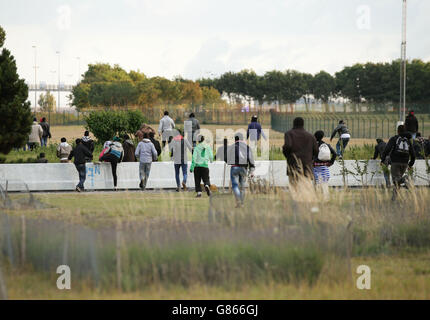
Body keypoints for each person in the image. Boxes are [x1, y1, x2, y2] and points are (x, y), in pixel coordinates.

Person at [381, 125, 415, 200]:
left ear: (398, 131)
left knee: (396, 180)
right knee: (397, 181)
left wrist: (383, 159)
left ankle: (406, 179)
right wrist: (410, 164)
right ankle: (394, 198)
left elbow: (387, 149)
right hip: (405, 163)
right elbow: (413, 153)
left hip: (395, 162)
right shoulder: (408, 140)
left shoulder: (394, 138)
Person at [282, 117, 318, 186]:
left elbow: (287, 146)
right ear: (303, 124)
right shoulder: (310, 136)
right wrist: (310, 159)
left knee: (294, 188)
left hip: (293, 164)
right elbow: (316, 151)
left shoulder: (289, 134)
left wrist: (289, 157)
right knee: (306, 188)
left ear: (294, 124)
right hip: (307, 165)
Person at [226, 133, 255, 208]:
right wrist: (251, 170)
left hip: (234, 167)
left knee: (235, 186)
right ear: (242, 139)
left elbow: (226, 158)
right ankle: (241, 203)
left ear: (235, 139)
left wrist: (229, 162)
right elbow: (251, 159)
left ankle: (238, 201)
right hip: (244, 168)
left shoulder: (232, 147)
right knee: (242, 187)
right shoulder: (247, 147)